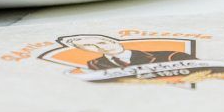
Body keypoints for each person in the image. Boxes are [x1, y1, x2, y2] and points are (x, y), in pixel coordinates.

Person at [56, 34, 193, 72]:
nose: (97, 46)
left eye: (102, 42)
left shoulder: (171, 55)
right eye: (88, 46)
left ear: (114, 41)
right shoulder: (94, 64)